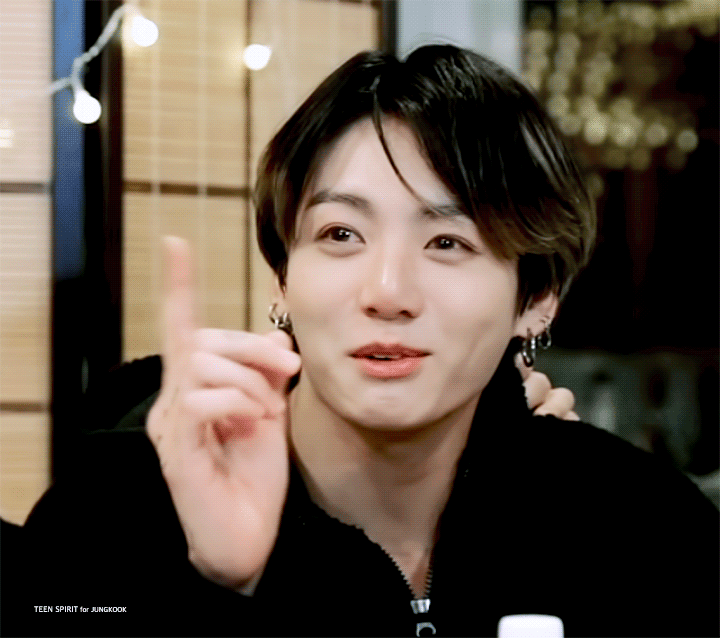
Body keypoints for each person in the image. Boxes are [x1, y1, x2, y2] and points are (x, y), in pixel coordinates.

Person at [5, 45, 718, 638]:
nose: (387, 291)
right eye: (341, 234)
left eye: (447, 241)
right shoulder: (108, 517)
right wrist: (223, 587)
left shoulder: (645, 532)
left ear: (535, 300)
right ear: (283, 278)